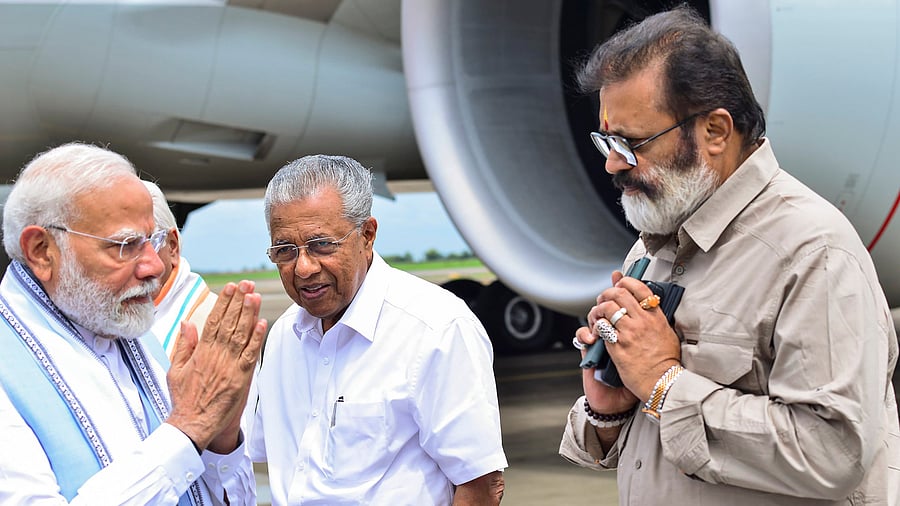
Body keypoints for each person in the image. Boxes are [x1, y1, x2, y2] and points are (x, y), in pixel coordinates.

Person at [560, 6, 900, 505]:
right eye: (607, 141)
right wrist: (609, 410)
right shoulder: (656, 242)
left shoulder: (811, 251)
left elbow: (834, 454)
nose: (612, 163)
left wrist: (662, 385)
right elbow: (658, 442)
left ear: (715, 132)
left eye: (632, 144)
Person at [0, 142, 267, 505]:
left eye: (152, 241)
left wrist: (221, 437)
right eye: (125, 245)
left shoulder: (133, 337)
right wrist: (188, 429)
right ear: (41, 251)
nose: (155, 267)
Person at [244, 154, 508, 505]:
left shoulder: (435, 328)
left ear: (367, 235)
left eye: (322, 245)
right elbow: (258, 452)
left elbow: (482, 483)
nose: (303, 268)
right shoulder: (284, 336)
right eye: (285, 251)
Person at [143, 180, 218, 359]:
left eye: (146, 243)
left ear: (172, 246)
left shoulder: (213, 325)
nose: (131, 261)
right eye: (118, 247)